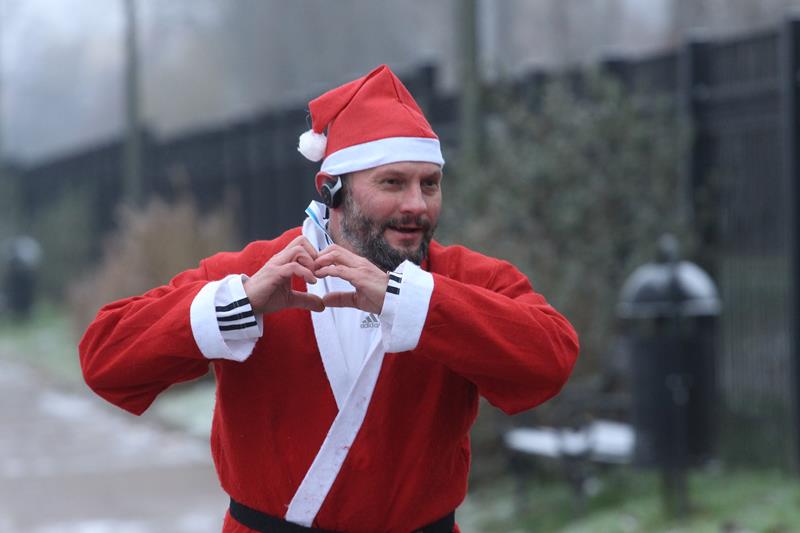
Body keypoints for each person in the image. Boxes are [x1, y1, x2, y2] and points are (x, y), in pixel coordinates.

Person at [79, 64, 579, 533]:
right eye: (393, 182)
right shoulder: (252, 274)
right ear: (333, 189)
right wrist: (239, 305)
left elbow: (551, 358)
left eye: (431, 184)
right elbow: (105, 359)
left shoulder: (464, 279)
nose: (417, 204)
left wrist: (413, 303)